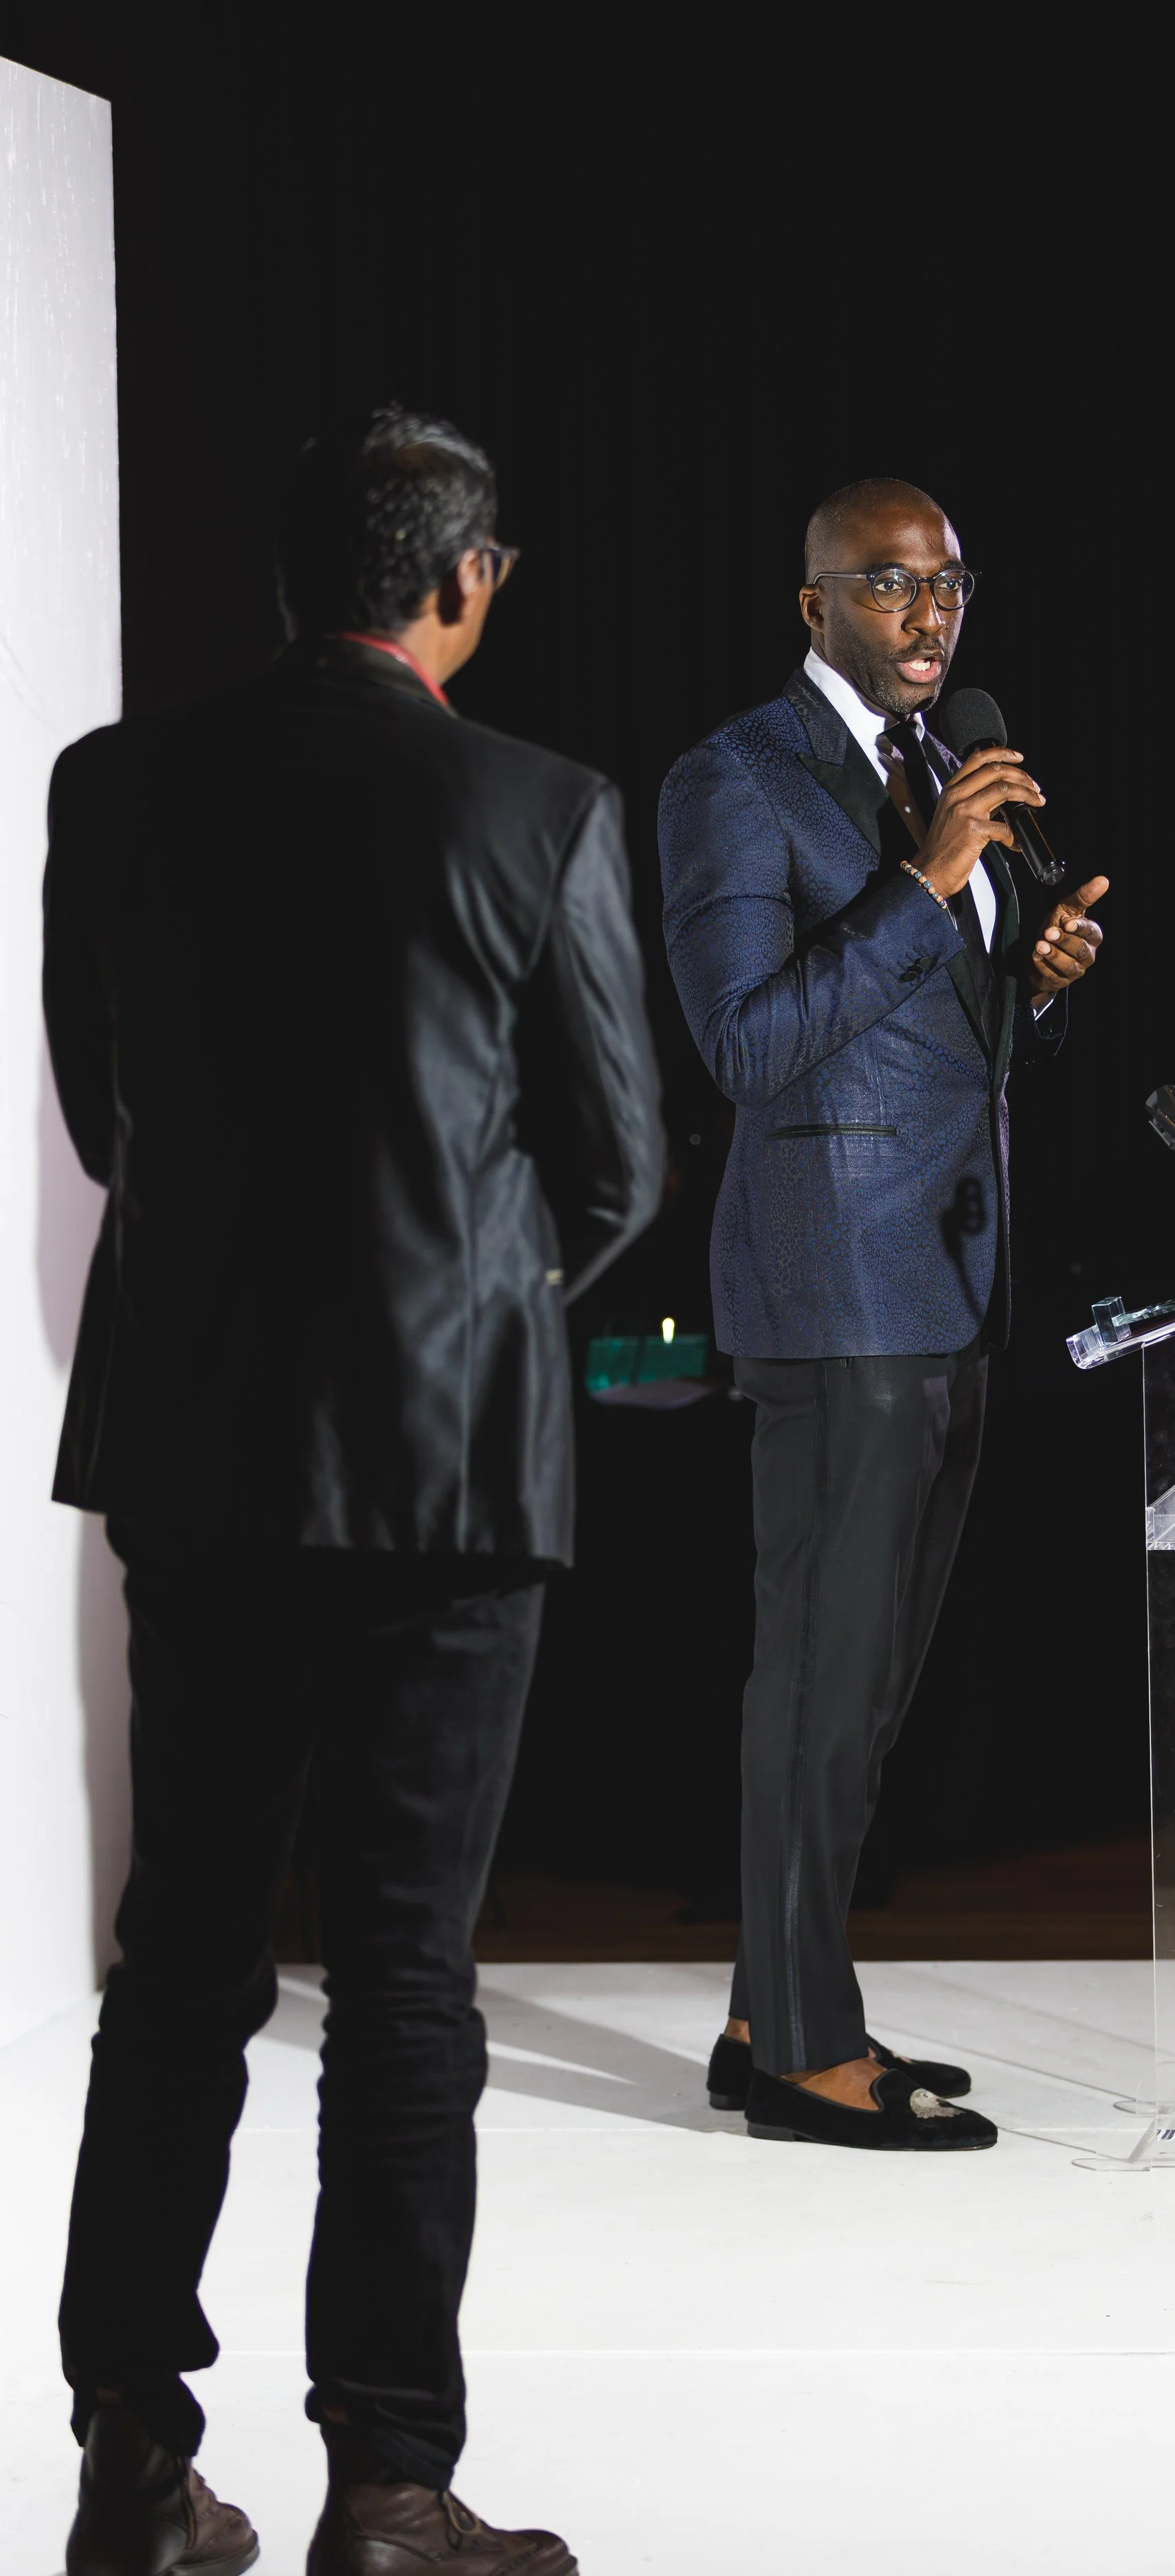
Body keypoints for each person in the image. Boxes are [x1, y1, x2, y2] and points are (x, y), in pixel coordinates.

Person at [45, 405, 663, 2575]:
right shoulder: (541, 805)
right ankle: (390, 2485)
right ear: (466, 579)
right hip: (448, 1467)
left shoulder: (114, 786)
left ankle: (131, 2457)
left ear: (288, 574)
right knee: (404, 1978)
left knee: (180, 1961)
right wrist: (464, 1297)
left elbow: (105, 1115)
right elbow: (619, 1166)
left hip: (200, 1445)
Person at [659, 477, 1106, 2151]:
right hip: (831, 1287)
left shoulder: (941, 772)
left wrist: (1029, 984)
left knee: (865, 1688)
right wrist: (924, 886)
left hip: (947, 1275)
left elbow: (938, 1038)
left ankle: (766, 2008)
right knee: (818, 1682)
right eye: (891, 585)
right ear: (815, 606)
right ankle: (805, 2057)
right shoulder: (734, 779)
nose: (931, 616)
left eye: (949, 586)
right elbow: (746, 1044)